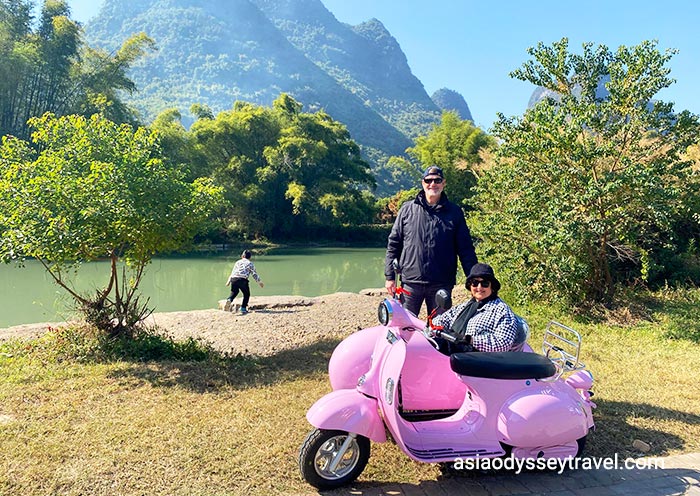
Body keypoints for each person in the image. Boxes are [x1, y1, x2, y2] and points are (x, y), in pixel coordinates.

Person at [384, 165, 478, 316]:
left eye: (437, 180)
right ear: (423, 183)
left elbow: (465, 249)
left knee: (440, 331)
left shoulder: (454, 212)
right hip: (410, 282)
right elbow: (394, 244)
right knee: (405, 328)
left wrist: (474, 279)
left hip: (441, 283)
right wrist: (390, 277)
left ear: (443, 183)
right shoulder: (407, 209)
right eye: (428, 180)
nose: (432, 184)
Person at [433, 263, 521, 352]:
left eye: (485, 283)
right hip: (451, 354)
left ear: (492, 287)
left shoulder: (501, 310)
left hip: (478, 360)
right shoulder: (463, 307)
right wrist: (432, 326)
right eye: (475, 283)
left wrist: (470, 340)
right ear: (470, 286)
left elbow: (503, 343)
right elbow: (443, 320)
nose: (479, 287)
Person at [224, 250, 264, 314]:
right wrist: (259, 282)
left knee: (234, 292)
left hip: (234, 279)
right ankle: (243, 308)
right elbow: (254, 274)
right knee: (246, 294)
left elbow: (233, 272)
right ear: (250, 257)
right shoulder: (250, 263)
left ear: (242, 256)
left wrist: (228, 281)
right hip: (242, 280)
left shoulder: (237, 262)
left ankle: (229, 299)